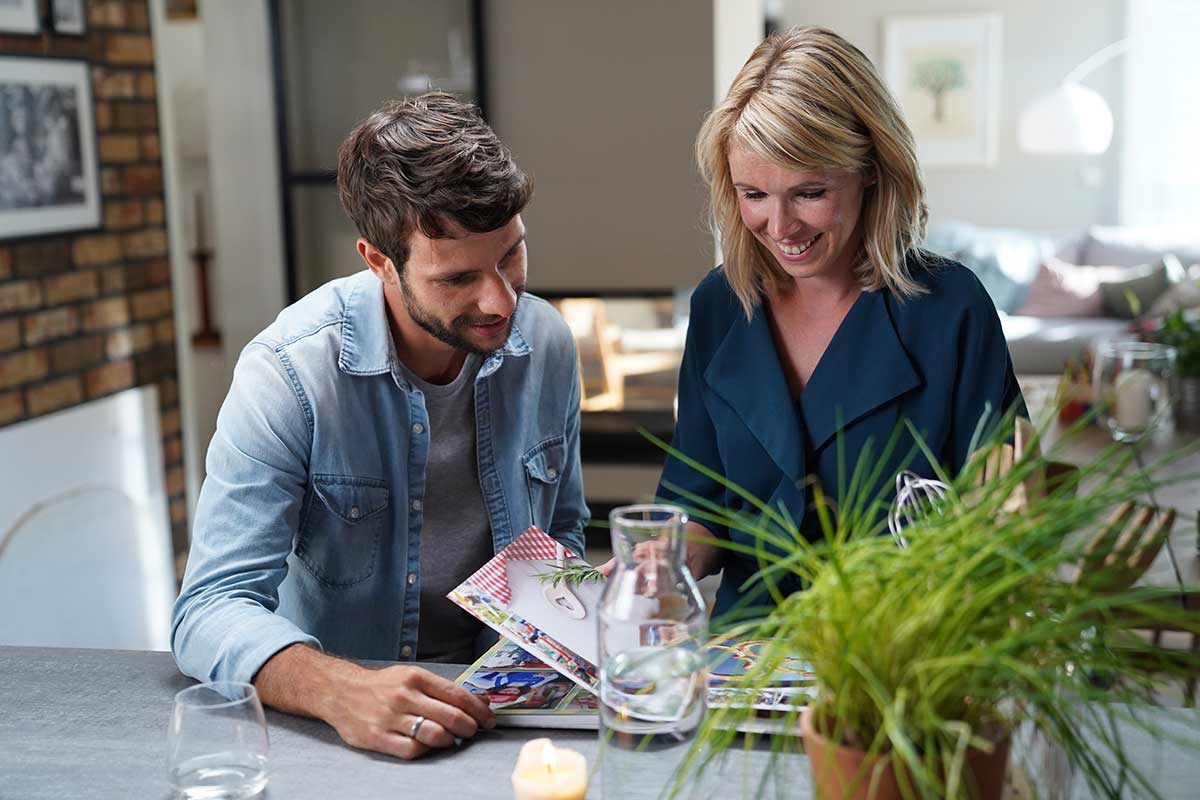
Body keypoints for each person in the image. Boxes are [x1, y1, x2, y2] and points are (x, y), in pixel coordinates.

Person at [171, 93, 589, 760]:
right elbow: (209, 607)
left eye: (511, 256)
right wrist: (339, 689)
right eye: (458, 277)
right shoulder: (287, 376)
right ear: (377, 261)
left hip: (502, 706)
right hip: (344, 718)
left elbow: (560, 529)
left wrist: (558, 648)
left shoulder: (545, 341)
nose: (501, 301)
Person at [656, 27, 1024, 618]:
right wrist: (656, 563)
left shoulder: (951, 308)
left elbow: (1003, 516)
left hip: (897, 656)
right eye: (754, 194)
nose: (780, 227)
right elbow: (698, 505)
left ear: (871, 170)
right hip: (747, 660)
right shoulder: (720, 306)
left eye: (809, 193)